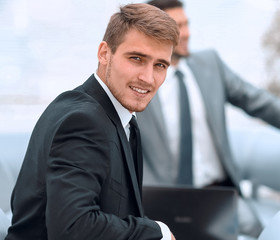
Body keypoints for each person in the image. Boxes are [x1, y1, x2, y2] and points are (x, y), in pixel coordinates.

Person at [140, 0, 280, 237]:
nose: (188, 33)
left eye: (187, 24)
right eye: (178, 27)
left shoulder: (209, 64)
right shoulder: (140, 82)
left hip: (217, 193)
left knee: (262, 232)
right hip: (163, 199)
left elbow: (261, 103)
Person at [6, 3, 179, 240]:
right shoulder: (84, 121)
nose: (148, 78)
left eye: (160, 65)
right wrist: (157, 231)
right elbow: (73, 227)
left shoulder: (117, 117)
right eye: (136, 58)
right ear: (104, 53)